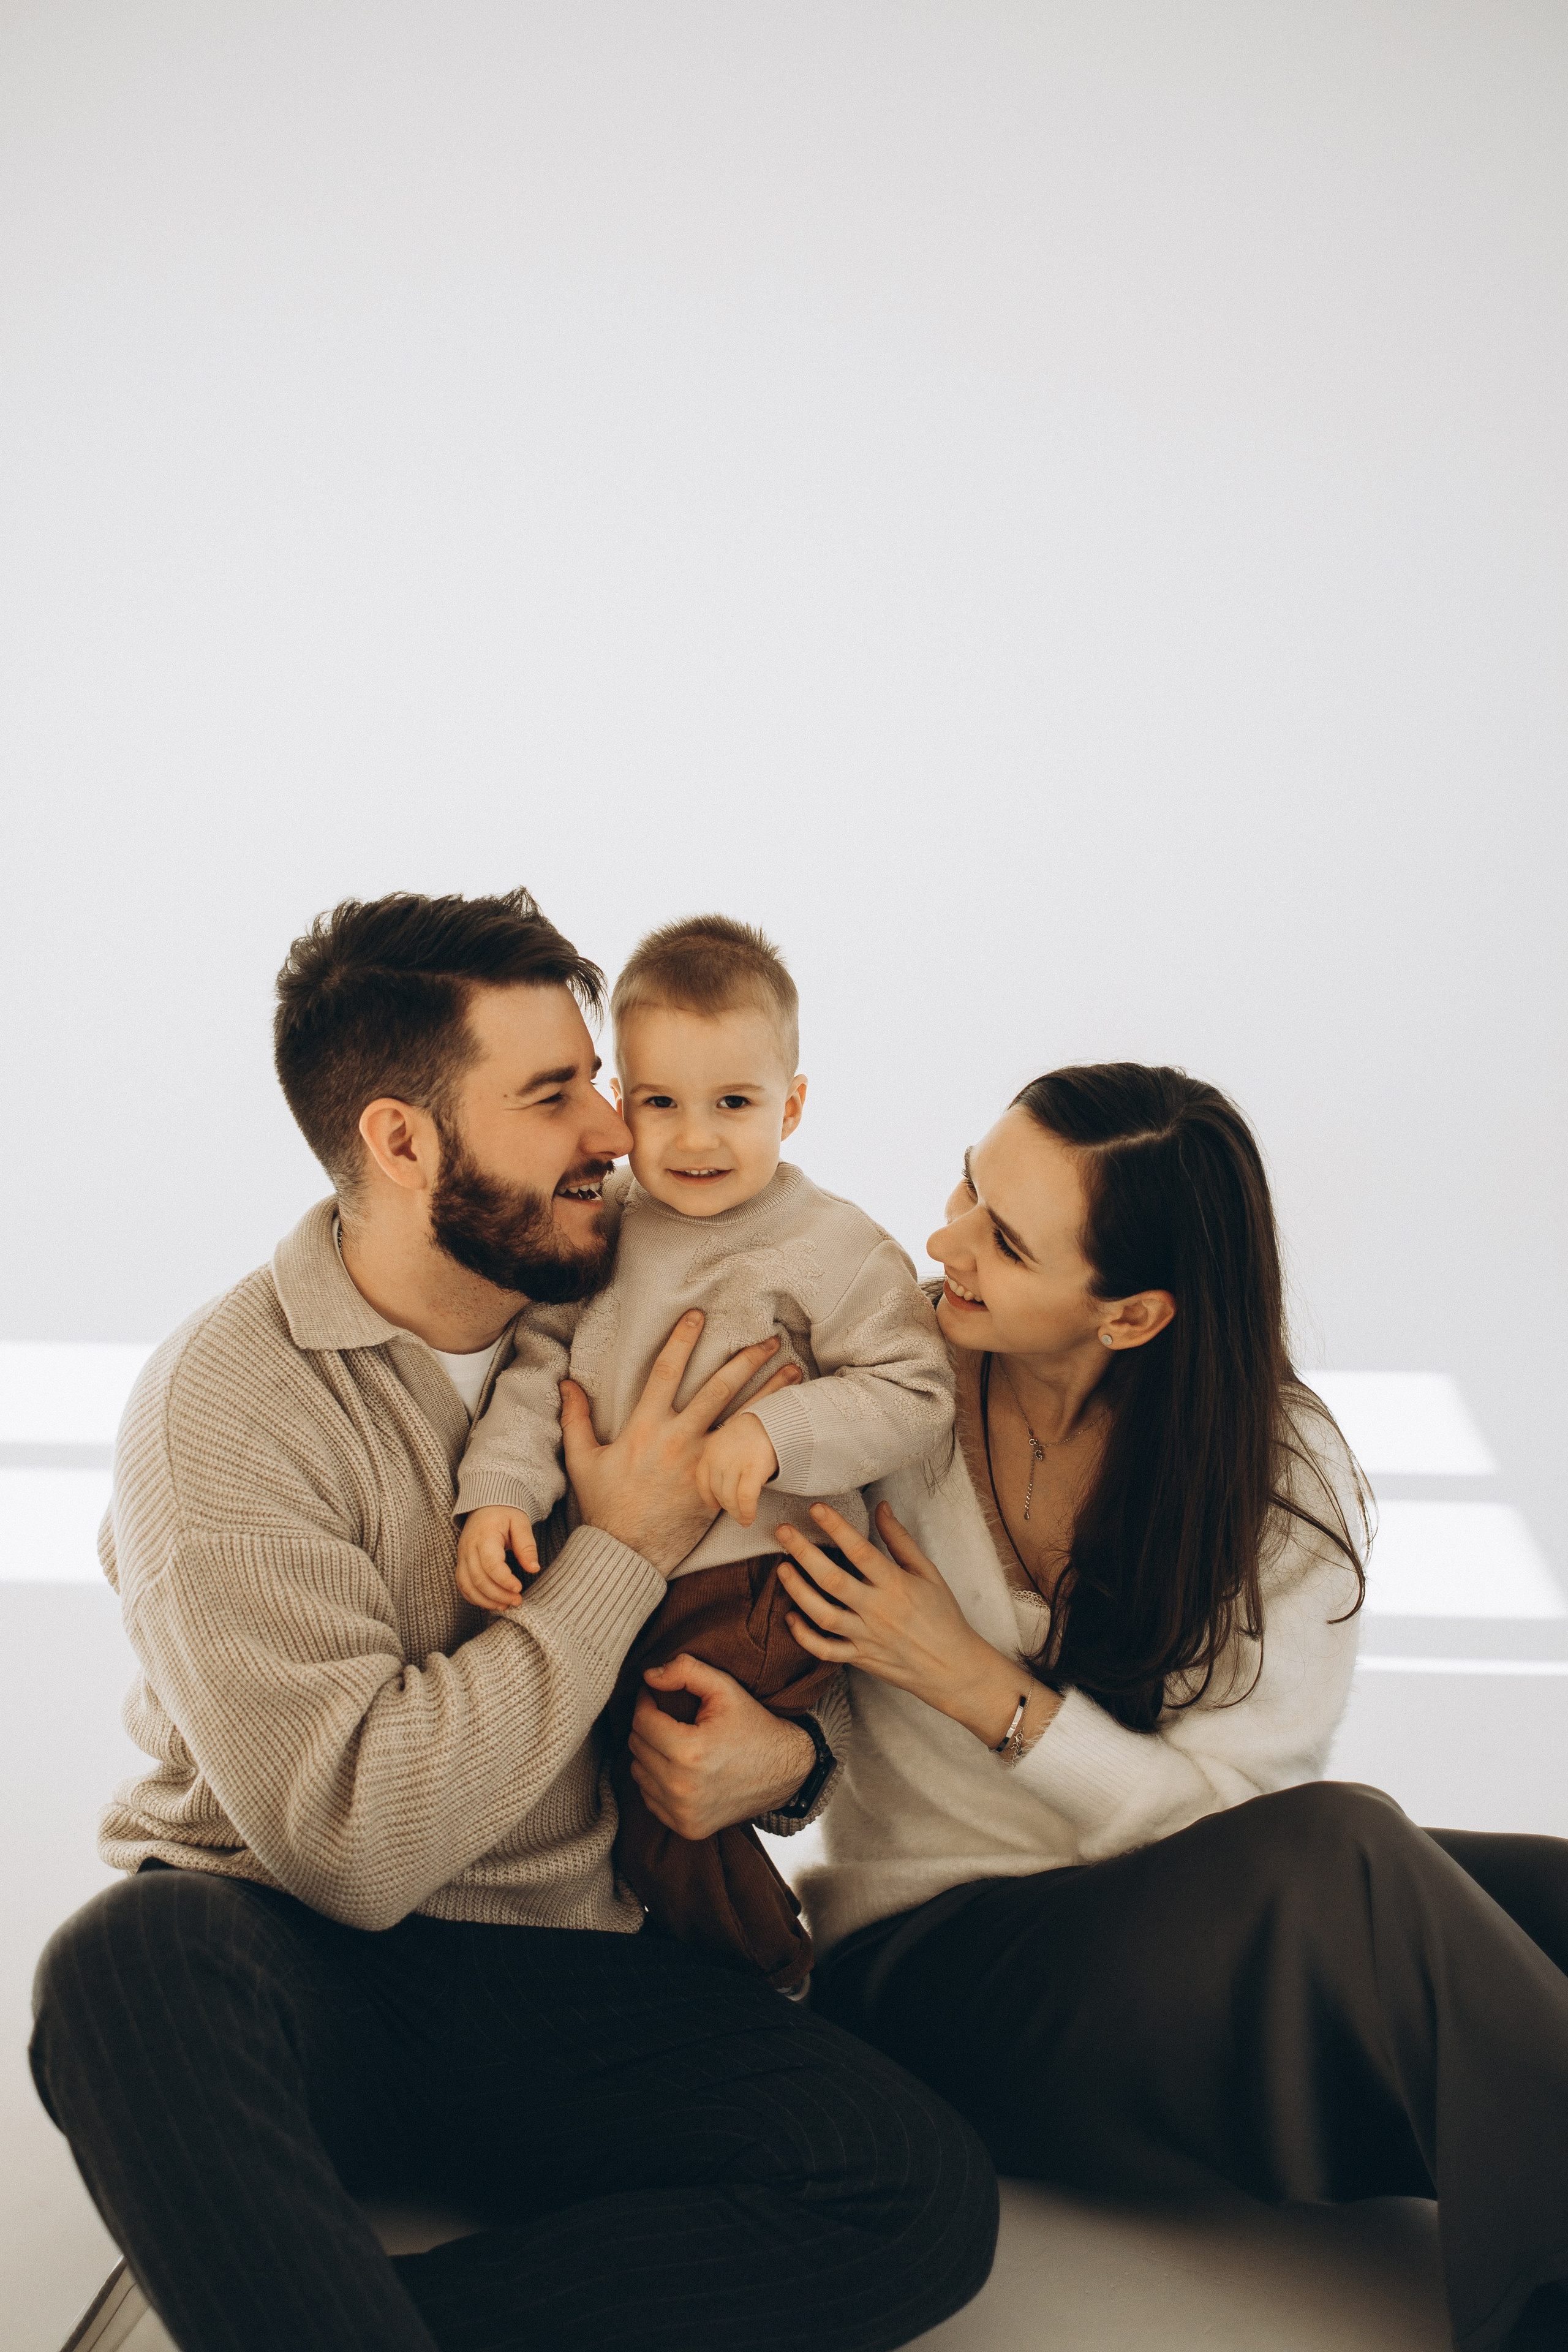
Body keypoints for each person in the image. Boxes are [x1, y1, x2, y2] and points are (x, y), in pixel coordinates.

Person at [28, 888, 997, 2352]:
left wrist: (790, 1772)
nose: (617, 1131)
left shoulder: (690, 1281)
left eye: (599, 1080)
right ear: (403, 1141)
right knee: (119, 1964)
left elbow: (797, 1604)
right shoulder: (222, 1408)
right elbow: (350, 1846)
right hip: (301, 1960)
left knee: (914, 2194)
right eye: (555, 1095)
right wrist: (616, 1543)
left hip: (576, 1962)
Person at [759, 1064, 1568, 2352]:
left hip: (1163, 1953)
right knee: (1352, 1849)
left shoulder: (1273, 1470)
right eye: (969, 1180)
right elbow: (753, 1686)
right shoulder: (870, 1399)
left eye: (1004, 1242)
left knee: (1539, 1897)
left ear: (1130, 1316)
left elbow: (1234, 1830)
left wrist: (980, 1689)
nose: (941, 1239)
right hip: (928, 1965)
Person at [453, 913, 953, 1988]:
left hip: (758, 1583)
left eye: (735, 1104)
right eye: (659, 1104)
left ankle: (761, 1975)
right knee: (615, 1784)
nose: (695, 1140)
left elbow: (917, 1393)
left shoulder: (832, 1246)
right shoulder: (610, 1222)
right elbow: (539, 1363)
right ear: (621, 1102)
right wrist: (498, 1492)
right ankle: (699, 1965)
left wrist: (780, 1432)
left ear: (796, 1104)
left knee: (665, 1780)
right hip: (617, 1580)